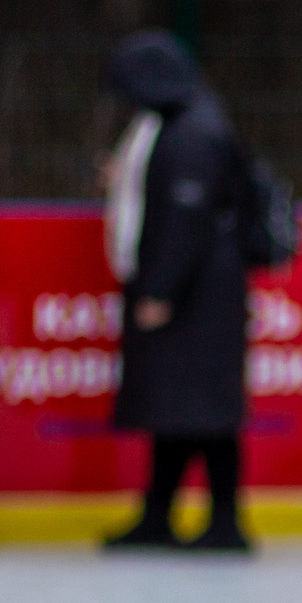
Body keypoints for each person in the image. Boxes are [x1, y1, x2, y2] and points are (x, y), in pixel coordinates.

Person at [99, 30, 253, 553]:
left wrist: (160, 290)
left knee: (207, 411)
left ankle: (225, 520)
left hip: (198, 296)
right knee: (175, 407)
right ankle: (159, 513)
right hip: (202, 291)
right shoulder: (188, 122)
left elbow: (185, 218)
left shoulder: (192, 133)